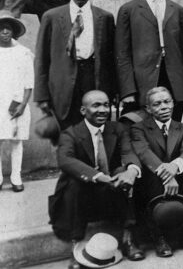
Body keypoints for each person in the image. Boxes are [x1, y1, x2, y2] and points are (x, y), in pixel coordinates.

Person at [49, 90, 143, 261]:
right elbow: (65, 160)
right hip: (81, 197)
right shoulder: (71, 133)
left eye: (106, 105)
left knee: (123, 175)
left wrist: (131, 171)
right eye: (96, 105)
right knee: (74, 180)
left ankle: (128, 238)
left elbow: (128, 152)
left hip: (111, 194)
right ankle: (77, 244)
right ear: (83, 111)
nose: (103, 110)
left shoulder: (118, 129)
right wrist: (98, 176)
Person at [35, 0, 116, 129]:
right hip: (63, 84)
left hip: (93, 79)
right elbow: (41, 58)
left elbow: (111, 58)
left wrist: (113, 91)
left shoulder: (104, 17)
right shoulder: (52, 17)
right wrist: (42, 95)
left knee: (93, 130)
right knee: (66, 135)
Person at [129, 86, 183, 257]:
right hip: (153, 178)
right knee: (148, 171)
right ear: (148, 109)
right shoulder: (139, 128)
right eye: (157, 104)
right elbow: (143, 153)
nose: (163, 107)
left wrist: (174, 168)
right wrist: (166, 174)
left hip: (178, 177)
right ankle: (158, 235)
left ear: (173, 104)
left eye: (167, 102)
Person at [115, 0, 183, 120]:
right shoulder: (129, 10)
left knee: (172, 131)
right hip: (142, 82)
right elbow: (122, 53)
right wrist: (127, 90)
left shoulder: (178, 10)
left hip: (173, 81)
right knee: (141, 130)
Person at [0, 15, 33, 192]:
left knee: (16, 141)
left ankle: (16, 177)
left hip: (17, 101)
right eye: (1, 28)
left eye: (8, 28)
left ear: (13, 31)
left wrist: (22, 104)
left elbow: (29, 83)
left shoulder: (23, 52)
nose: (5, 31)